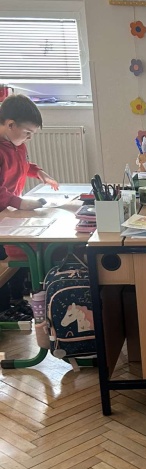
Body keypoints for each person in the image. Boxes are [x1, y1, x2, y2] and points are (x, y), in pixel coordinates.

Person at [0, 94, 59, 319]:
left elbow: (24, 164)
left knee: (19, 251)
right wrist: (21, 203)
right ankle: (4, 308)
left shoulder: (18, 144)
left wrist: (39, 172)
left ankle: (17, 300)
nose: (29, 138)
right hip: (4, 209)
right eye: (27, 132)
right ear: (10, 124)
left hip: (9, 210)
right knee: (5, 258)